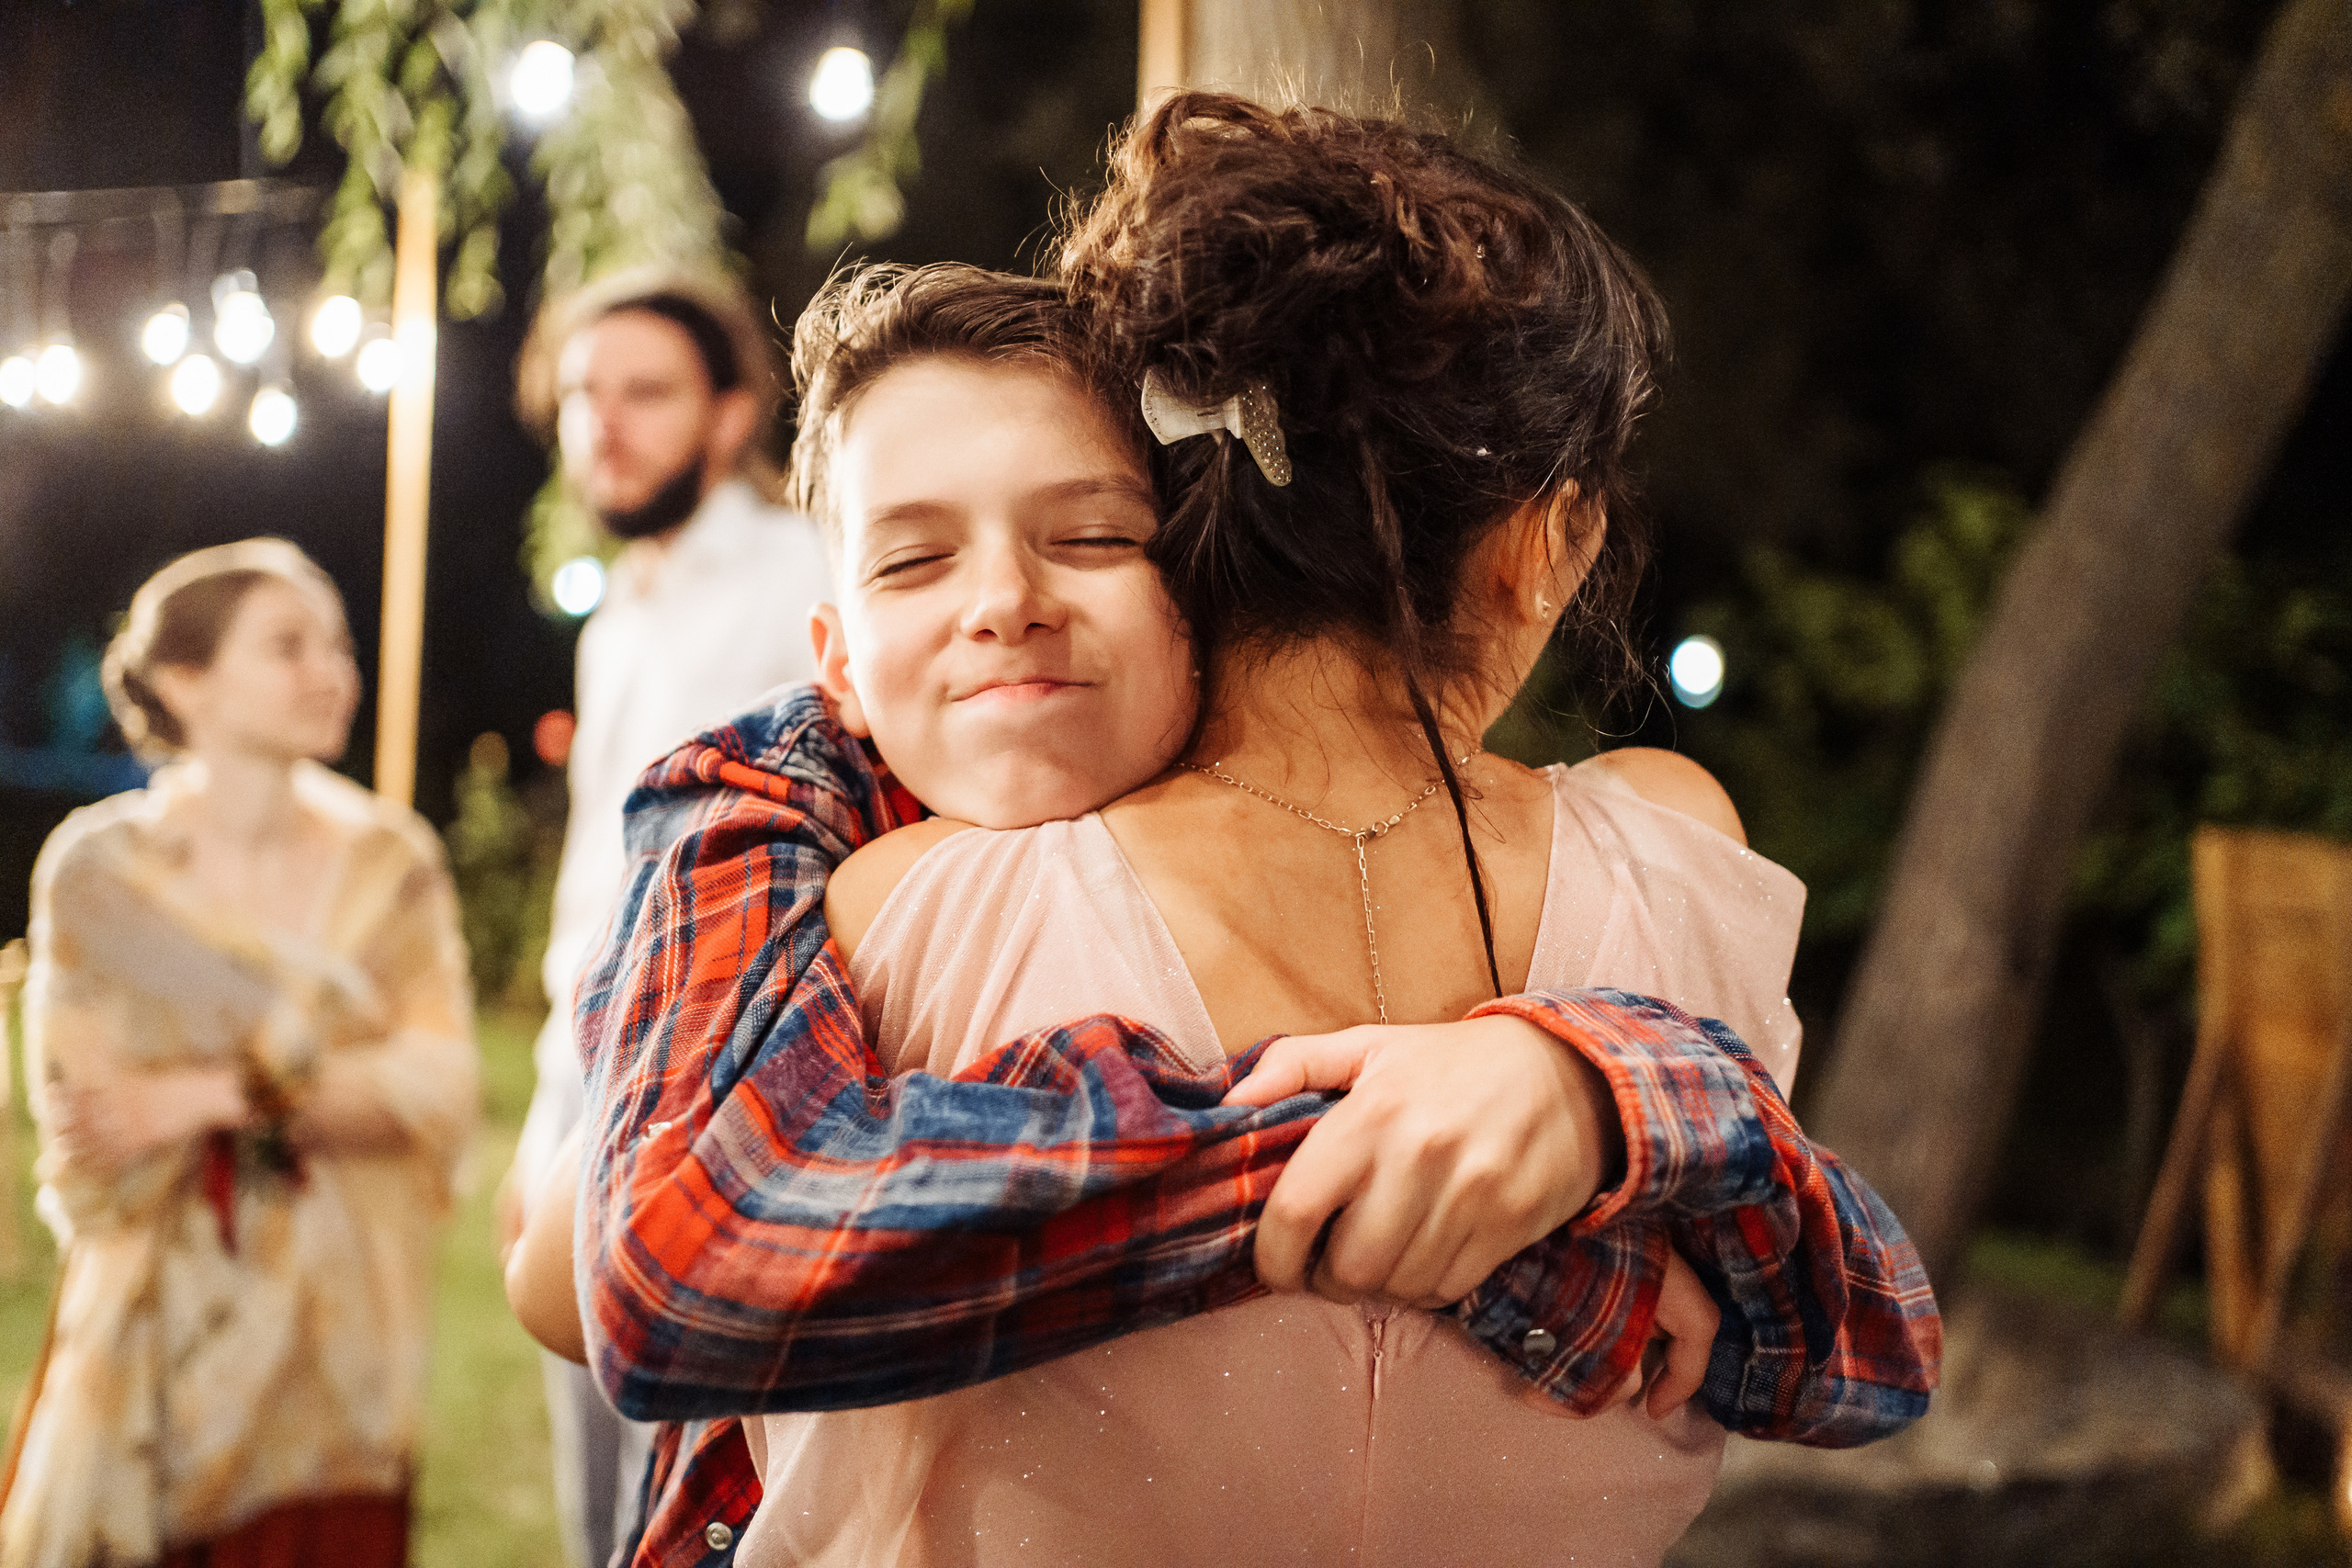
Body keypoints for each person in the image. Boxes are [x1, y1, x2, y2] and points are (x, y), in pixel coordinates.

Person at [569, 261, 1935, 1564]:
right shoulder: (772, 819)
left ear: (1206, 581)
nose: (1003, 603)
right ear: (838, 664)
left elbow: (1872, 1341)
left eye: (1097, 533)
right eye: (914, 562)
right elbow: (664, 1260)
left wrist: (1603, 1086)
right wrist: (1453, 1203)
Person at [0, 539, 478, 1568]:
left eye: (339, 644)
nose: (331, 671)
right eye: (287, 646)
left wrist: (213, 1094)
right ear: (187, 681)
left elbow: (441, 1084)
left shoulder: (393, 865)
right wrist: (330, 1090)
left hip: (337, 1358)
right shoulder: (100, 875)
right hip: (155, 1346)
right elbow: (93, 1137)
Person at [503, 266, 833, 1568]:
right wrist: (547, 1118)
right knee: (596, 1499)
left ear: (733, 411)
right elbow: (600, 880)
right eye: (583, 393)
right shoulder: (619, 609)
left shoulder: (804, 572)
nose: (605, 422)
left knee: (700, 1507)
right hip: (585, 1089)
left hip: (719, 1098)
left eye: (646, 391)